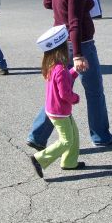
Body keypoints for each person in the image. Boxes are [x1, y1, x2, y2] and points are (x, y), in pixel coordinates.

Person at [27, 0, 112, 149]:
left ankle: (37, 136)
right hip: (81, 45)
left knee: (57, 93)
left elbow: (47, 3)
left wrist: (71, 6)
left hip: (59, 44)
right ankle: (101, 136)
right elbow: (75, 24)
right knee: (95, 91)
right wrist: (79, 55)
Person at [29, 24, 84, 178]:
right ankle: (39, 159)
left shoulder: (53, 65)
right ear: (62, 49)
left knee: (74, 134)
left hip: (57, 109)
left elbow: (66, 78)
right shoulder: (59, 68)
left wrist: (74, 71)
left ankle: (69, 162)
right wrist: (75, 98)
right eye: (68, 44)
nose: (70, 47)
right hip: (59, 111)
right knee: (66, 140)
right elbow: (65, 93)